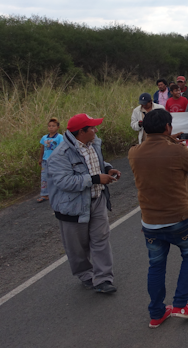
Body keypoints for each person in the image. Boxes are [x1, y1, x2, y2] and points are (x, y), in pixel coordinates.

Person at [128, 109, 188, 328]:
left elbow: (154, 152)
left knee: (155, 266)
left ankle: (156, 313)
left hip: (150, 221)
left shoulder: (134, 153)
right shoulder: (177, 152)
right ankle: (180, 305)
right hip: (179, 218)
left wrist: (167, 140)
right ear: (168, 127)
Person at [47, 113, 120, 294]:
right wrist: (96, 178)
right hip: (72, 207)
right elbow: (65, 182)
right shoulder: (60, 155)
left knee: (101, 239)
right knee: (77, 246)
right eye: (92, 128)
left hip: (97, 201)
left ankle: (103, 279)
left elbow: (96, 163)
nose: (96, 130)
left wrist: (108, 169)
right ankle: (86, 275)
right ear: (81, 132)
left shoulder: (93, 144)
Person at [37, 117, 63, 202]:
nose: (51, 127)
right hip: (45, 160)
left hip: (55, 160)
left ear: (57, 127)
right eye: (49, 126)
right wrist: (40, 158)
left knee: (55, 176)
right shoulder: (44, 137)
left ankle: (57, 192)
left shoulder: (60, 137)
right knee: (44, 177)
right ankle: (44, 194)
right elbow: (42, 148)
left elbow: (61, 149)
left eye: (53, 126)